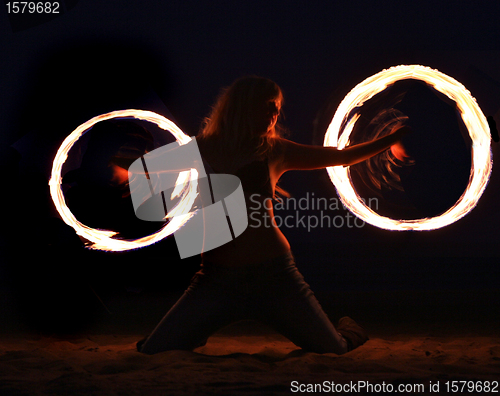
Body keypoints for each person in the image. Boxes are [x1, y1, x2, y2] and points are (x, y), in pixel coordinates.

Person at [137, 76, 410, 355]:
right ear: (243, 106)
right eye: (269, 105)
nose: (275, 114)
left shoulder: (275, 150)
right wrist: (121, 170)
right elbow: (144, 172)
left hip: (274, 276)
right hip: (215, 280)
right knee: (153, 349)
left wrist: (390, 140)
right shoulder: (197, 150)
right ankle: (194, 330)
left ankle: (350, 328)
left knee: (334, 347)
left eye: (277, 108)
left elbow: (342, 157)